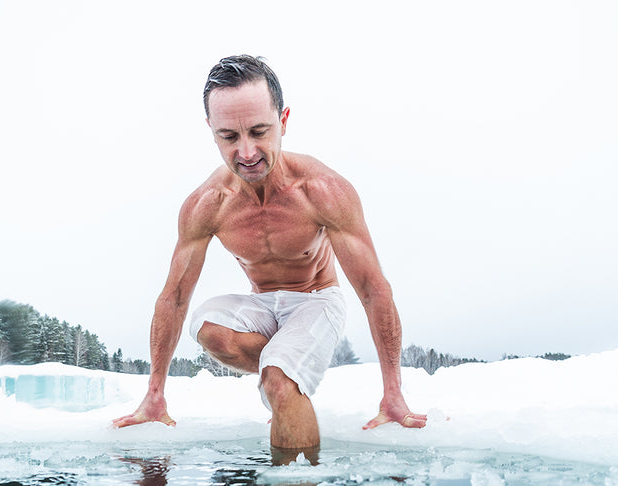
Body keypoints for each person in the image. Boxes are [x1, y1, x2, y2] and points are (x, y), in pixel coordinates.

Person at [113, 55, 426, 450]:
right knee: (206, 327)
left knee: (278, 380)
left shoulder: (322, 190)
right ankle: (289, 362)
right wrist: (155, 393)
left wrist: (393, 391)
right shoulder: (208, 204)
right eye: (229, 137)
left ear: (284, 120)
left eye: (259, 131)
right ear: (211, 131)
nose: (246, 152)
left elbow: (372, 288)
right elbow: (174, 297)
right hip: (264, 305)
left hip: (316, 300)